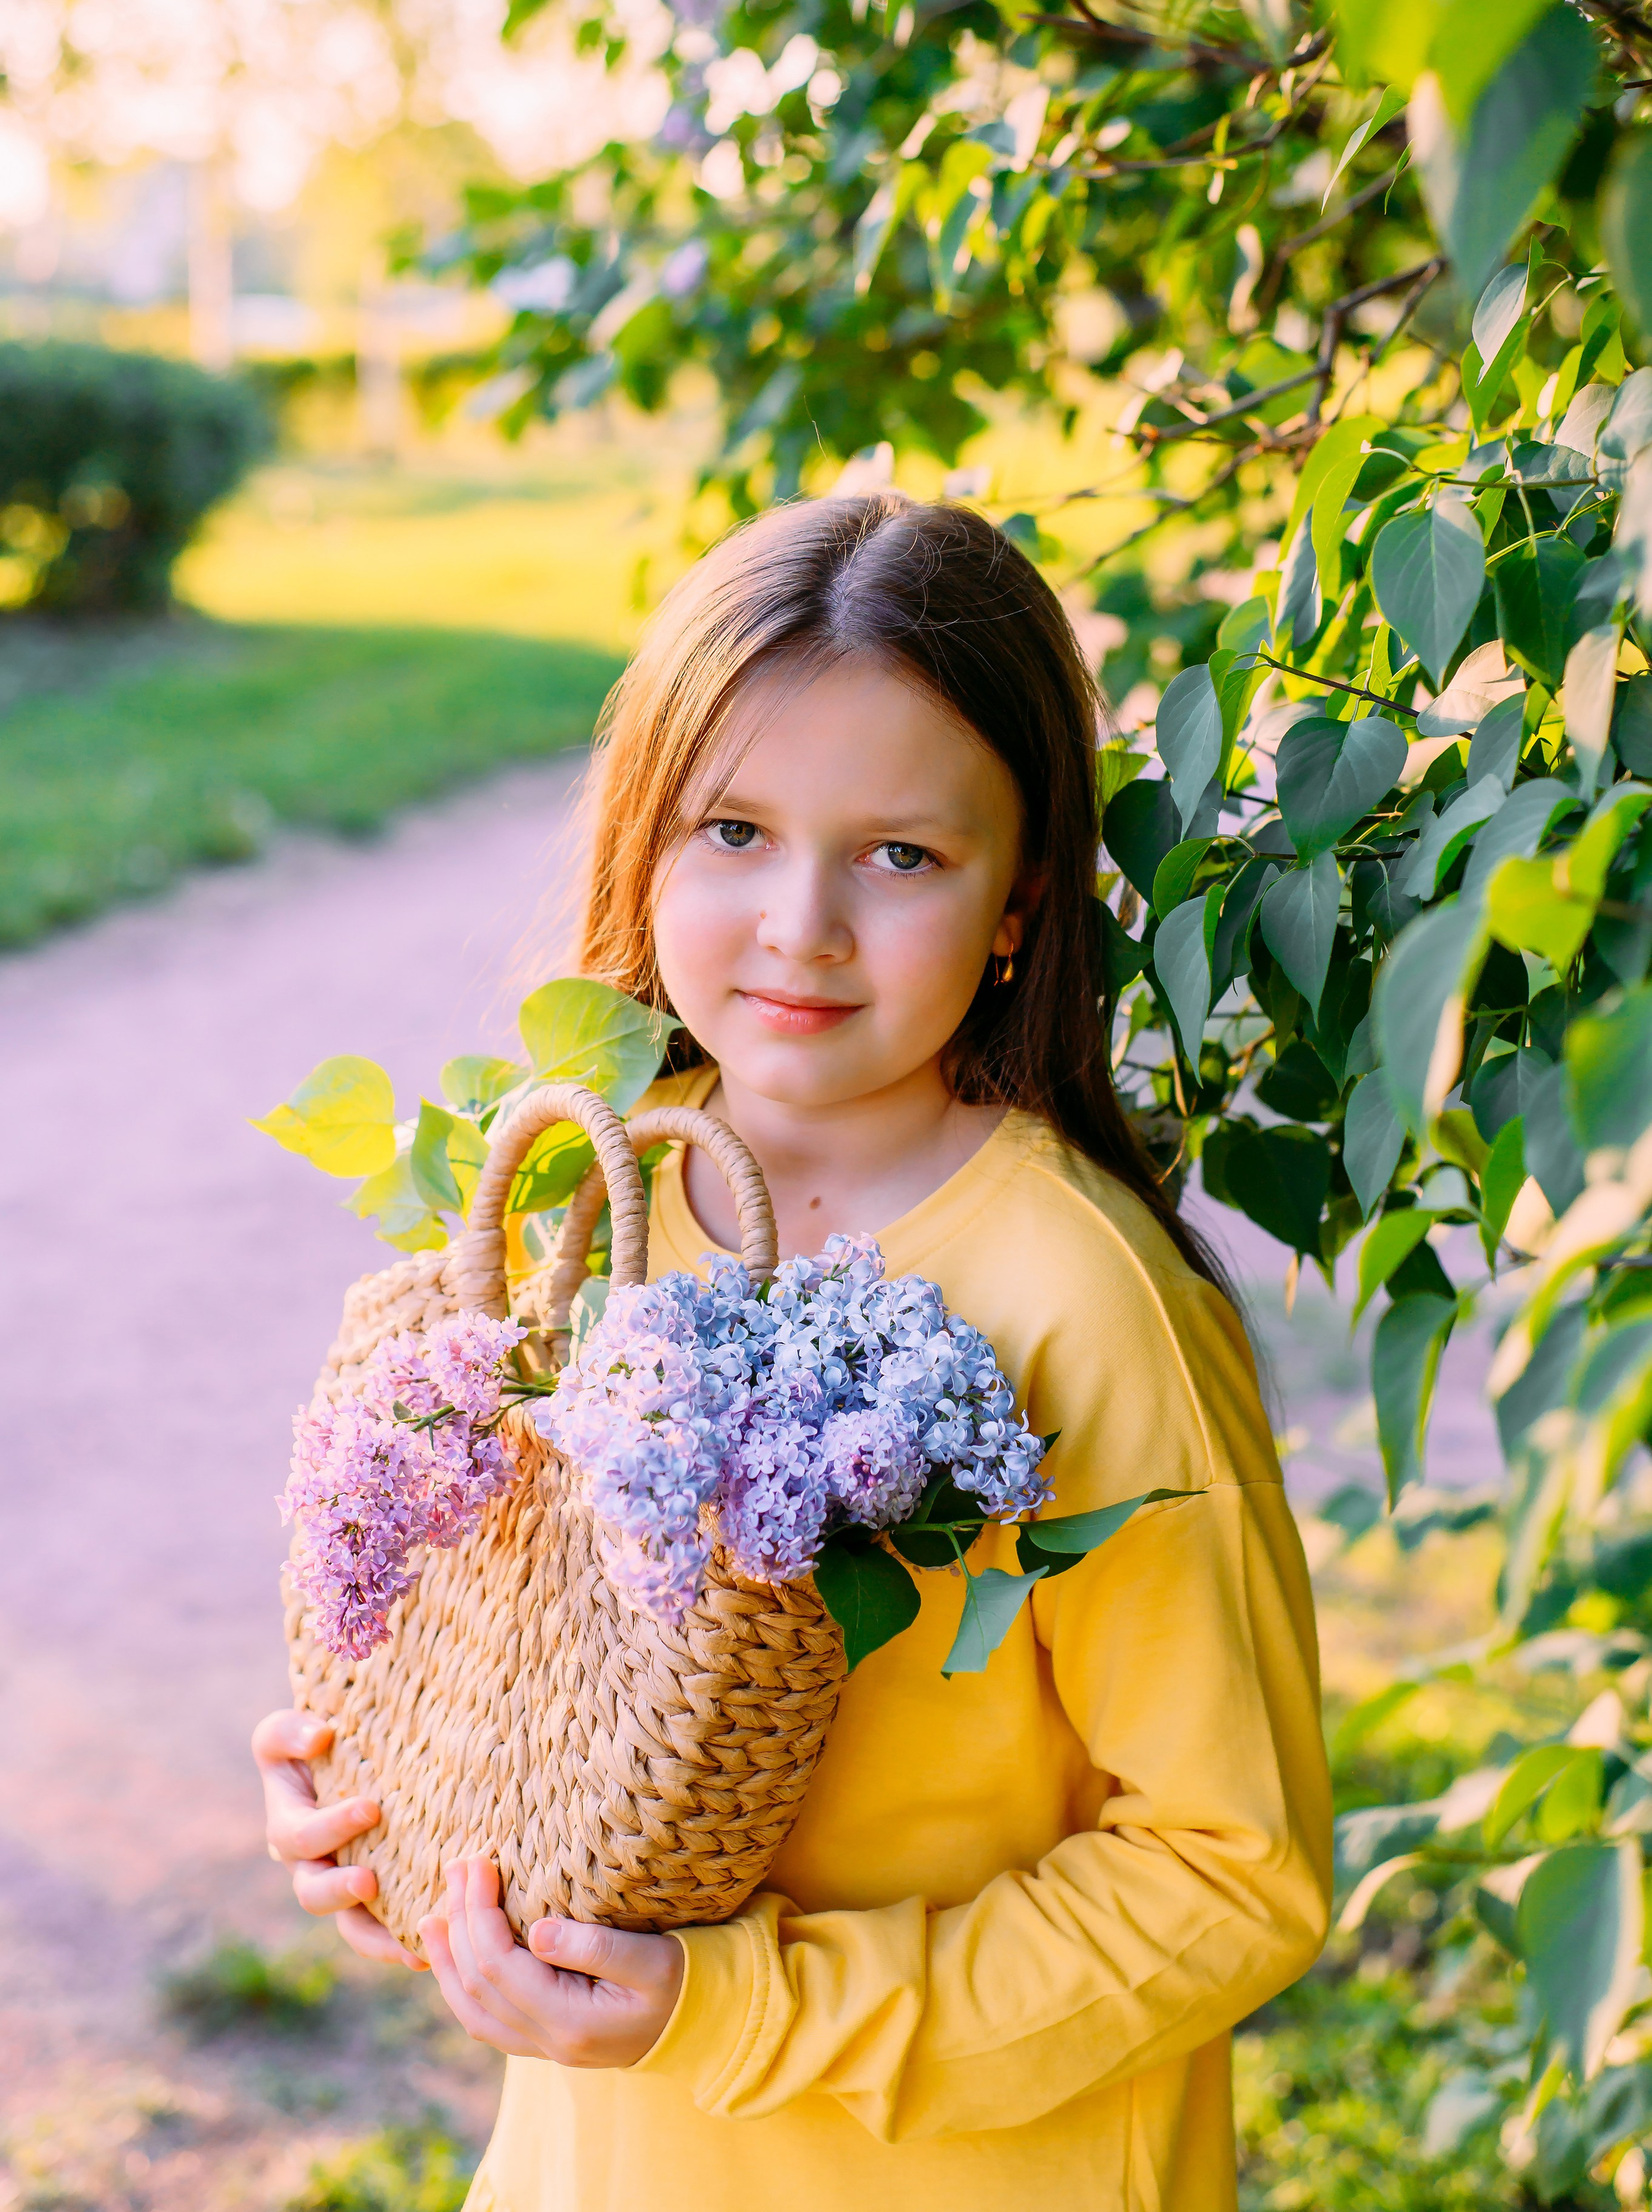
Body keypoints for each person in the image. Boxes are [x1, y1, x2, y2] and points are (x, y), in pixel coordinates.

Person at [254, 493, 1331, 2211]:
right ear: (641, 844)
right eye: (735, 830)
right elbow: (526, 1666)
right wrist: (382, 1796)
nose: (803, 924)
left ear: (1017, 901)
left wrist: (737, 2007)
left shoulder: (1084, 1305)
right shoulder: (577, 1213)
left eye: (901, 855)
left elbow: (1231, 1873)